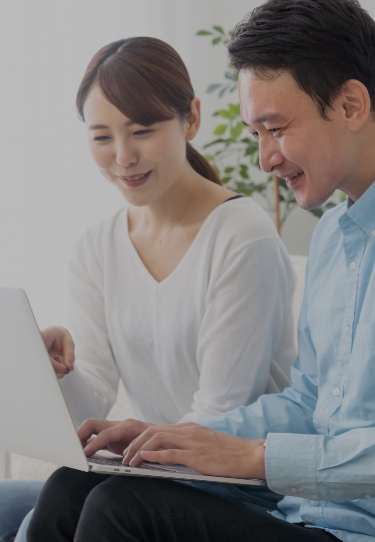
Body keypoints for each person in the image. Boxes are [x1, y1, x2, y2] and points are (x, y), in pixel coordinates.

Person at [25, 0, 375, 541]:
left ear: (351, 105)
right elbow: (310, 402)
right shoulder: (335, 239)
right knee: (74, 488)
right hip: (304, 516)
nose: (265, 160)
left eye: (277, 128)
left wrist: (255, 456)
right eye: (256, 135)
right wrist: (172, 438)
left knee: (122, 510)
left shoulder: (241, 234)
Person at [0, 36, 297, 542]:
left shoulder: (241, 236)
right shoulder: (97, 247)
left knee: (66, 506)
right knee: (46, 493)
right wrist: (56, 372)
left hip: (239, 484)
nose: (123, 157)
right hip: (153, 469)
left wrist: (132, 457)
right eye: (101, 137)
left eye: (143, 131)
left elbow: (219, 414)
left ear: (191, 119)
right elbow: (89, 412)